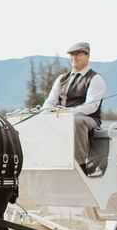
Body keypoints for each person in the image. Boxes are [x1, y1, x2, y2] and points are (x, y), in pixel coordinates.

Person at [41, 41, 108, 174]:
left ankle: (80, 165)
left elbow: (91, 107)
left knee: (76, 121)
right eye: (72, 54)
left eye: (78, 54)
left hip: (89, 120)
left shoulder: (95, 79)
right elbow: (49, 102)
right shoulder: (62, 79)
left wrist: (67, 113)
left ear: (87, 56)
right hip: (61, 117)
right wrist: (48, 111)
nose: (74, 57)